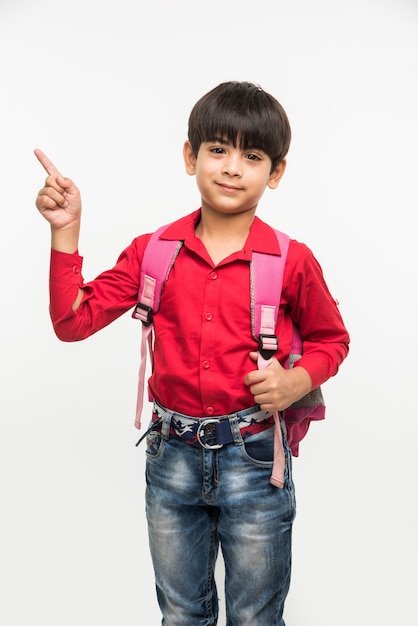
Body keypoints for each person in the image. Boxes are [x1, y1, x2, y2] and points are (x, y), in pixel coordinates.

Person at [35, 81, 349, 625]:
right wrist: (67, 232)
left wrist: (297, 383)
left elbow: (332, 340)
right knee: (182, 614)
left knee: (254, 616)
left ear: (275, 173)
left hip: (255, 461)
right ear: (191, 156)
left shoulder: (291, 260)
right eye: (217, 149)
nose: (231, 167)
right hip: (171, 458)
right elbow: (72, 322)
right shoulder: (152, 252)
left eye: (251, 156)